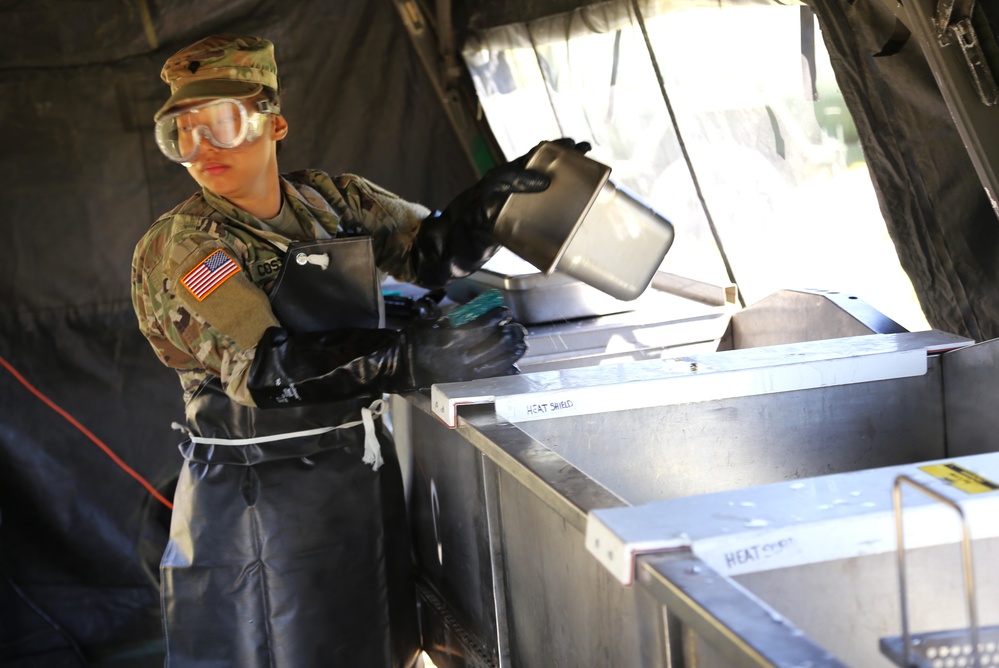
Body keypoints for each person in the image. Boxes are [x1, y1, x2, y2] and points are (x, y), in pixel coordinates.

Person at [130, 33, 588, 667]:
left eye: (222, 124)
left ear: (273, 122)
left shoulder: (330, 201)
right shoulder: (188, 247)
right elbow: (265, 366)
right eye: (181, 133)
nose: (201, 148)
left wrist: (488, 208)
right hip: (261, 506)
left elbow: (428, 253)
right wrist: (410, 357)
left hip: (356, 480)